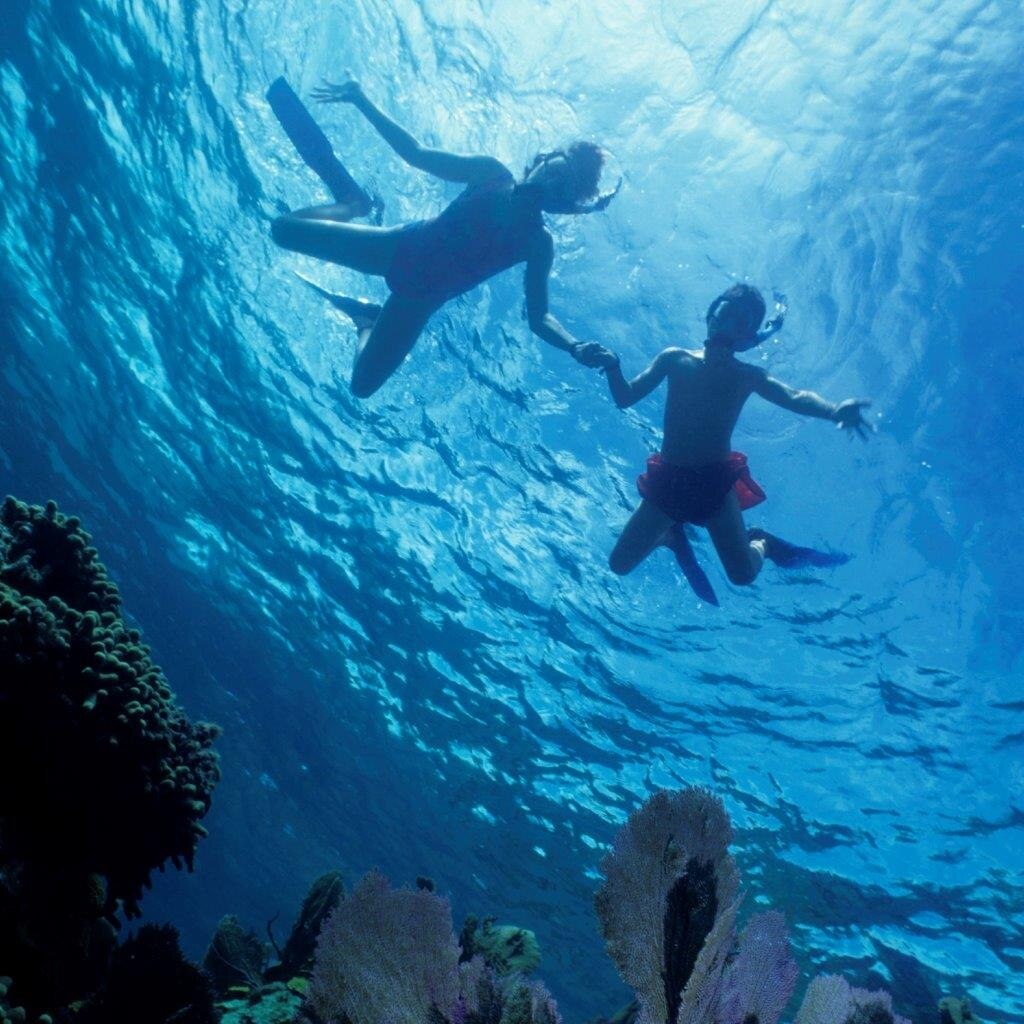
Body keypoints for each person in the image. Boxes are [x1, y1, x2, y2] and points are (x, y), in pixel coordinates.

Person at [269, 78, 619, 398]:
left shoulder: (538, 243)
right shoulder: (492, 173)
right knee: (283, 229)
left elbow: (539, 317)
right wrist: (361, 99)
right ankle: (353, 203)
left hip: (418, 301)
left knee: (361, 387)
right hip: (395, 248)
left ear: (562, 205)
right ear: (542, 159)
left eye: (563, 187)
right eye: (557, 169)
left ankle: (367, 321)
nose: (550, 183)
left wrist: (574, 346)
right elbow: (415, 153)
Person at [601, 284, 871, 598]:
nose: (728, 325)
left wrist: (833, 410)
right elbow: (625, 397)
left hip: (713, 485)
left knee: (742, 575)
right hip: (668, 483)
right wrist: (612, 366)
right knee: (619, 565)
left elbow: (794, 396)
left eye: (741, 324)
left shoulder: (747, 376)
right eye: (725, 314)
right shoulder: (675, 359)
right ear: (710, 315)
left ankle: (762, 542)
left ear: (746, 338)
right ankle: (669, 536)